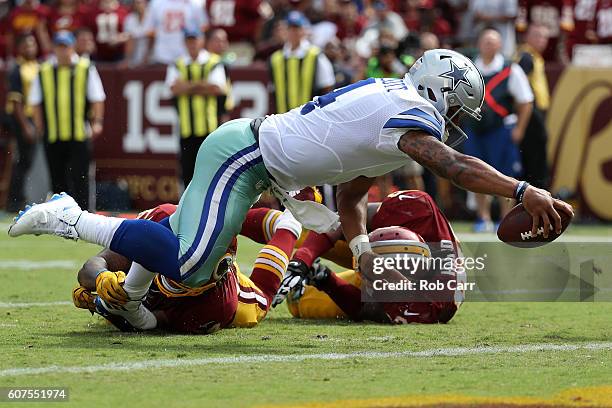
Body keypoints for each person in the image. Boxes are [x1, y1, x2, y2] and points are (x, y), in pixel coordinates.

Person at [9, 48, 573, 332]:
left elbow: (351, 199)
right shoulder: (407, 111)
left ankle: (129, 297)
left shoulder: (393, 116)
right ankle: (70, 216)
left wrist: (362, 249)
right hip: (246, 155)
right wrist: (523, 189)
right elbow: (452, 165)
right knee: (188, 259)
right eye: (456, 106)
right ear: (438, 90)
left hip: (258, 165)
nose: (454, 118)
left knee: (191, 255)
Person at [72, 203, 303, 333]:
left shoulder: (216, 305)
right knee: (224, 214)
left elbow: (149, 323)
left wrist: (108, 307)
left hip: (238, 298)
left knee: (263, 299)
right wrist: (100, 279)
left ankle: (290, 224)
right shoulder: (163, 219)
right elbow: (91, 267)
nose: (192, 267)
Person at [274, 190, 463, 325]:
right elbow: (343, 218)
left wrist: (325, 279)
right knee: (301, 228)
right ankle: (257, 220)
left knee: (300, 302)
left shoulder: (431, 305)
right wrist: (303, 259)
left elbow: (366, 309)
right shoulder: (418, 210)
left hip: (398, 283)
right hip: (368, 248)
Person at [463, 29, 534, 232]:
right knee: (475, 173)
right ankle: (482, 218)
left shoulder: (510, 69)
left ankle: (505, 218)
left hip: (500, 130)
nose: (489, 45)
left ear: (500, 45)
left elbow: (526, 101)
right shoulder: (467, 68)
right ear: (479, 43)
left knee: (506, 174)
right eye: (485, 41)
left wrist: (519, 129)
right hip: (474, 129)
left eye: (493, 42)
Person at [28, 31, 106, 210]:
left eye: (66, 47)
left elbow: (97, 97)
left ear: (72, 48)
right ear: (54, 48)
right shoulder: (44, 70)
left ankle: (84, 216)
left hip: (79, 132)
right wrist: (39, 126)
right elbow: (35, 101)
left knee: (81, 177)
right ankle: (61, 217)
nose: (63, 52)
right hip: (53, 133)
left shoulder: (85, 68)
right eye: (59, 47)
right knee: (57, 178)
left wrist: (97, 122)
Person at [165, 28, 227, 187]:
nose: (192, 44)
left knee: (210, 171)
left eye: (195, 39)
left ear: (202, 41)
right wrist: (202, 84)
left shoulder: (213, 61)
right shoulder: (177, 63)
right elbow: (173, 89)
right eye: (189, 40)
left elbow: (217, 88)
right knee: (187, 173)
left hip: (209, 128)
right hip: (186, 128)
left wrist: (186, 86)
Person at [268, 11, 335, 113]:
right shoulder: (276, 59)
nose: (293, 32)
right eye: (290, 29)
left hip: (309, 119)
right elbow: (272, 91)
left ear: (304, 30)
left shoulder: (315, 55)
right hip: (282, 119)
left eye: (297, 28)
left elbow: (327, 86)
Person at [5, 34, 40, 213]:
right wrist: (26, 125)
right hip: (22, 119)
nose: (30, 48)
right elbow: (16, 101)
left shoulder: (39, 67)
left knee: (27, 161)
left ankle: (17, 197)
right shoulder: (17, 68)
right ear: (19, 48)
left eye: (32, 44)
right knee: (22, 160)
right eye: (26, 45)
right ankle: (14, 200)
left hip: (34, 118)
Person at [516, 24, 551, 188]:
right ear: (527, 37)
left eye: (544, 37)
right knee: (536, 156)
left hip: (536, 112)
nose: (542, 40)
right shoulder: (527, 56)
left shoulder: (534, 56)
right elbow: (520, 85)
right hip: (531, 112)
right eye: (537, 35)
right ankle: (537, 190)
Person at [144, 0, 207, 65]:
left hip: (187, 59)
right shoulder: (156, 3)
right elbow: (149, 31)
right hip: (162, 57)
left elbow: (203, 29)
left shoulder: (195, 3)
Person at [122, 0, 149, 67]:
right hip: (134, 61)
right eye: (136, 3)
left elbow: (154, 35)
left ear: (146, 3)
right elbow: (129, 41)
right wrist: (127, 60)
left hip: (151, 61)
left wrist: (146, 58)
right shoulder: (129, 19)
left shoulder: (153, 17)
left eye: (140, 3)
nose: (138, 6)